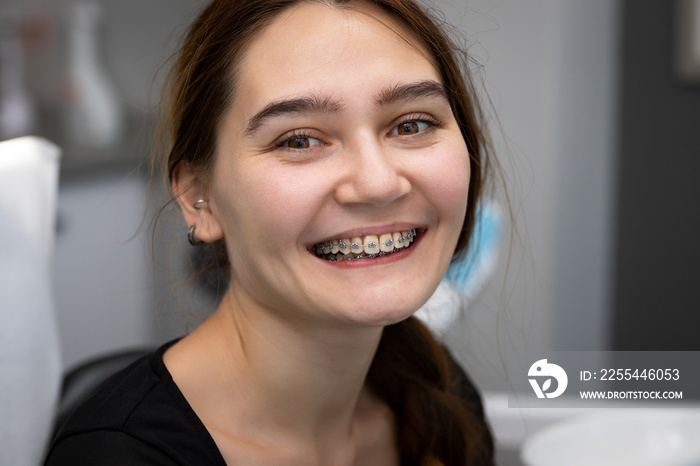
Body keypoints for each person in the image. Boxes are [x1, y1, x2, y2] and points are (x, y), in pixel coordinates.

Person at [46, 0, 495, 464]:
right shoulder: (118, 454)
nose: (378, 183)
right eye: (299, 140)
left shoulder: (441, 401)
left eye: (412, 125)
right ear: (201, 197)